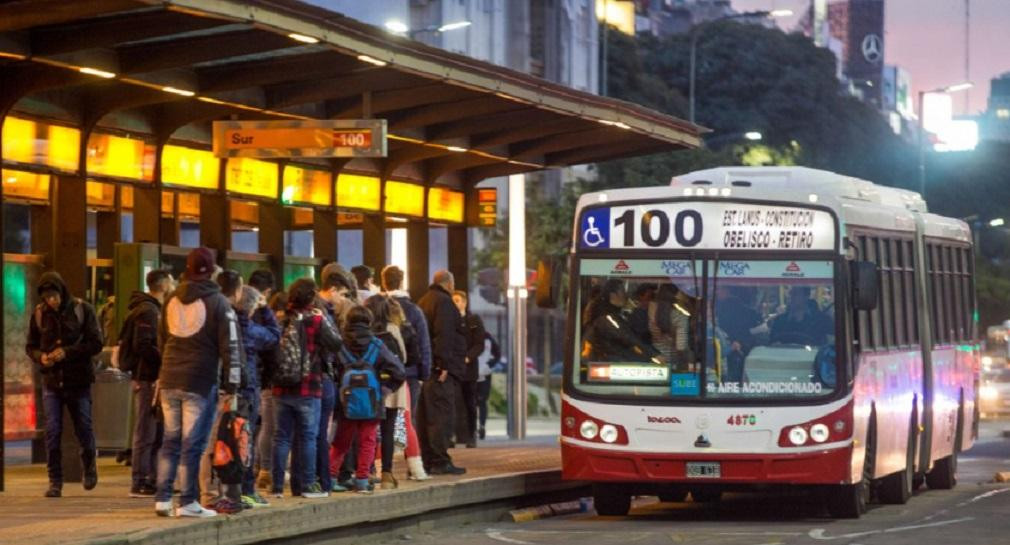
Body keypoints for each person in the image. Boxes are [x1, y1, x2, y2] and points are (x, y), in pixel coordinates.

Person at [155, 248, 242, 518]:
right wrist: (232, 384)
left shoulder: (171, 299)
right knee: (192, 443)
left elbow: (161, 340)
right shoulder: (218, 302)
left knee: (170, 441)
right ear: (212, 270)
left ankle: (163, 498)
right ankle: (189, 501)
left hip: (169, 377)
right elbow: (230, 346)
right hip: (199, 380)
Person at [26, 271, 104, 498]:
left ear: (62, 292)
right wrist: (41, 356)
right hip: (52, 380)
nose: (52, 301)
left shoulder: (82, 309)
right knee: (53, 431)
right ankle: (55, 481)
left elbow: (96, 343)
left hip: (78, 380)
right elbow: (30, 345)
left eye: (55, 296)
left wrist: (67, 353)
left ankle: (89, 466)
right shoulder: (40, 314)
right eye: (48, 297)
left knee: (83, 427)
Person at [271, 278, 343, 499]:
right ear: (312, 297)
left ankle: (276, 486)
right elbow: (336, 343)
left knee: (281, 437)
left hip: (281, 387)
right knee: (309, 437)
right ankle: (309, 484)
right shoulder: (316, 319)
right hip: (308, 386)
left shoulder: (280, 318)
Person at [329, 305, 405, 493]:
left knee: (341, 442)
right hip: (372, 401)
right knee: (368, 441)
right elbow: (399, 371)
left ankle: (329, 478)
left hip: (346, 402)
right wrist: (386, 390)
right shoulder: (377, 345)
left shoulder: (339, 344)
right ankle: (362, 480)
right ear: (368, 323)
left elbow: (329, 369)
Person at [120, 269, 175, 498]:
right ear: (163, 285)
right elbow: (144, 345)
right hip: (147, 377)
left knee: (154, 429)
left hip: (149, 377)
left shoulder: (151, 309)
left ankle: (151, 477)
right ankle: (140, 478)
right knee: (146, 429)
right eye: (171, 281)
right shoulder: (149, 311)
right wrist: (166, 359)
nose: (173, 284)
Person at [198, 270, 248, 514]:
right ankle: (210, 495)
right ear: (237, 291)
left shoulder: (202, 310)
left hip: (203, 383)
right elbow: (232, 352)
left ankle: (205, 493)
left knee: (206, 441)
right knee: (217, 440)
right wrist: (233, 385)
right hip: (219, 386)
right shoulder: (225, 312)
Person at [416, 270, 468, 475]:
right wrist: (443, 365)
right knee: (441, 416)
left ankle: (428, 459)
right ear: (449, 284)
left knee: (427, 416)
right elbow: (444, 334)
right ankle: (440, 460)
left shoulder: (423, 301)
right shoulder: (444, 303)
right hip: (440, 371)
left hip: (428, 369)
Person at [235, 285, 280, 508]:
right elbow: (274, 336)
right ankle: (246, 490)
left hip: (224, 389)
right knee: (246, 439)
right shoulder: (250, 329)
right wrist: (266, 310)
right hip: (248, 389)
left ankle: (226, 490)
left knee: (223, 442)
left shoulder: (225, 324)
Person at [380, 265, 432, 420]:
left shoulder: (377, 307)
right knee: (405, 419)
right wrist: (424, 373)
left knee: (385, 420)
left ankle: (387, 444)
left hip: (384, 372)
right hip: (410, 373)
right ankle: (401, 444)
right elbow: (424, 344)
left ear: (383, 283)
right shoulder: (414, 311)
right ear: (402, 282)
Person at [255, 291, 288, 491]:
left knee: (267, 427)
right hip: (284, 383)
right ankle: (278, 470)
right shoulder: (288, 326)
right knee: (282, 431)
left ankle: (264, 469)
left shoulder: (262, 326)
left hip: (265, 382)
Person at [582, 279, 660, 363]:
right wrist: (653, 354)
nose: (626, 296)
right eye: (623, 292)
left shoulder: (611, 313)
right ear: (613, 295)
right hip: (601, 361)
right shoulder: (607, 317)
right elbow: (626, 335)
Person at [452, 291, 485, 449]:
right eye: (453, 301)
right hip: (453, 368)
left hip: (469, 369)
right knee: (452, 403)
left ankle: (471, 435)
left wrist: (468, 357)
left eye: (458, 300)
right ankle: (452, 435)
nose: (455, 304)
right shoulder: (449, 321)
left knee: (470, 403)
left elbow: (480, 344)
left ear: (464, 302)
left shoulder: (474, 320)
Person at [647, 284, 691, 370]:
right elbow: (681, 346)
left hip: (656, 356)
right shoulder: (680, 315)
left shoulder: (651, 308)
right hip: (672, 360)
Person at [475, 332, 501, 441]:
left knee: (481, 401)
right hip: (474, 374)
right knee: (476, 402)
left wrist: (489, 365)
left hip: (484, 374)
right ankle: (476, 426)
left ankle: (481, 426)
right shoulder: (470, 336)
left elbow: (497, 355)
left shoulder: (488, 338)